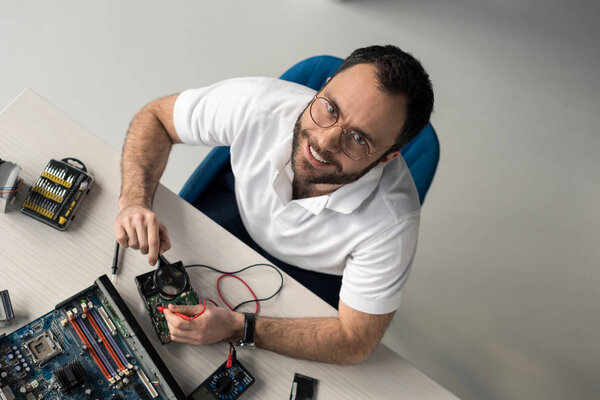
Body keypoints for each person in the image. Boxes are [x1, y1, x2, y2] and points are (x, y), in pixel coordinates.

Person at [114, 45, 434, 365]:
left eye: (359, 139)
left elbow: (355, 341)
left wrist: (239, 328)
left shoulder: (394, 222)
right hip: (237, 211)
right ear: (324, 85)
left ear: (388, 157)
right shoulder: (259, 102)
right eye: (330, 109)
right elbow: (156, 117)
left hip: (311, 272)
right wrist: (134, 201)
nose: (323, 142)